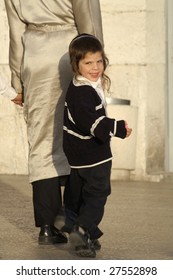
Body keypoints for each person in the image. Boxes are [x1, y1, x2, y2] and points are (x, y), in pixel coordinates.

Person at [4, 0, 104, 245]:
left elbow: (16, 33)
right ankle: (80, 225)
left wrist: (18, 80)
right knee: (79, 136)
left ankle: (48, 227)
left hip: (34, 55)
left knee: (41, 140)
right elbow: (89, 22)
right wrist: (98, 65)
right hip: (69, 54)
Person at [63, 34, 132, 257]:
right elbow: (92, 122)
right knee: (97, 194)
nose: (95, 67)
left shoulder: (86, 84)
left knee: (79, 193)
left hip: (79, 155)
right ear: (76, 65)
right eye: (88, 63)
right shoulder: (82, 92)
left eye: (99, 61)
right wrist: (118, 128)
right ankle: (82, 232)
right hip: (92, 155)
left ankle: (73, 222)